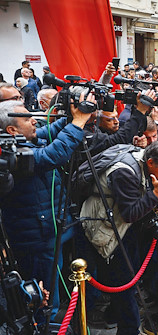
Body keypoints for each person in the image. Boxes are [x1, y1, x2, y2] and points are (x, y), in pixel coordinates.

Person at [0, 94, 93, 320]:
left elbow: (49, 132)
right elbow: (53, 155)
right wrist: (78, 123)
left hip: (47, 231)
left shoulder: (23, 139)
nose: (35, 121)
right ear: (12, 130)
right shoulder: (11, 154)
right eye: (27, 119)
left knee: (52, 292)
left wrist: (70, 115)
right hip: (36, 237)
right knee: (44, 298)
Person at [81, 140, 158, 335]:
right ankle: (128, 329)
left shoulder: (144, 163)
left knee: (128, 280)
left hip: (124, 228)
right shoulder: (125, 172)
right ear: (151, 162)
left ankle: (114, 316)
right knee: (124, 282)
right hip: (108, 228)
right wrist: (157, 192)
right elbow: (130, 213)